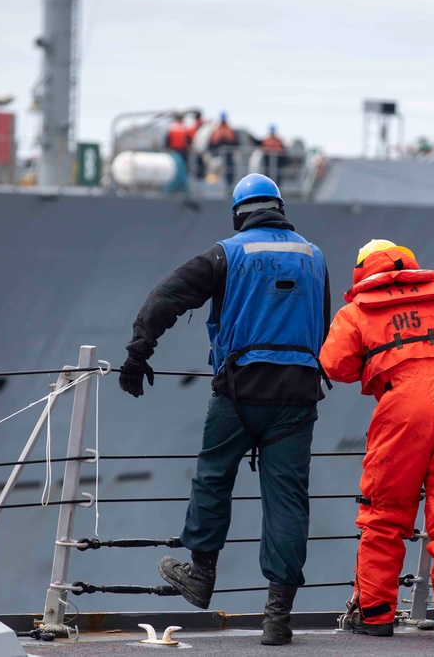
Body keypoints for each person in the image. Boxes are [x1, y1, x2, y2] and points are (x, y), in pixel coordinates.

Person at [119, 173, 331, 646]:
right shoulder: (314, 256)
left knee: (214, 475)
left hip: (239, 391)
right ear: (279, 206)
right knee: (288, 501)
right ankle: (278, 616)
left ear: (239, 213)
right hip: (298, 395)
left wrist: (138, 355)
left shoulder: (227, 252)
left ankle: (200, 577)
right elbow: (325, 325)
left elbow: (165, 298)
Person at [319, 240, 434, 644]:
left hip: (403, 405)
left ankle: (375, 615)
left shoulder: (357, 311)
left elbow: (334, 365)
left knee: (385, 512)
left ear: (362, 272)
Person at [208, 112, 239, 186]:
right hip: (218, 156)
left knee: (229, 171)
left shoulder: (228, 130)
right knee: (215, 170)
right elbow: (211, 144)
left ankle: (228, 185)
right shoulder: (218, 130)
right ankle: (214, 185)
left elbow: (235, 143)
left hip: (227, 157)